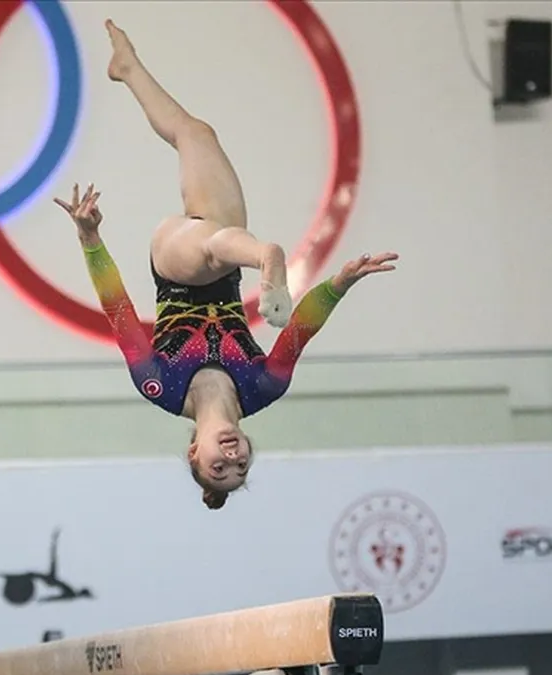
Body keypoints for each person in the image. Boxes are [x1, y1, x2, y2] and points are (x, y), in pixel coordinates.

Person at [54, 20, 399, 510]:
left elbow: (120, 312)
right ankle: (127, 70)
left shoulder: (159, 384)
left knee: (215, 247)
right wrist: (339, 284)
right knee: (196, 134)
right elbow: (299, 330)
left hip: (177, 263)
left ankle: (267, 256)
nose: (234, 459)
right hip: (224, 259)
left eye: (219, 467)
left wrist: (89, 238)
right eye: (241, 468)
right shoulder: (264, 387)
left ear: (194, 450)